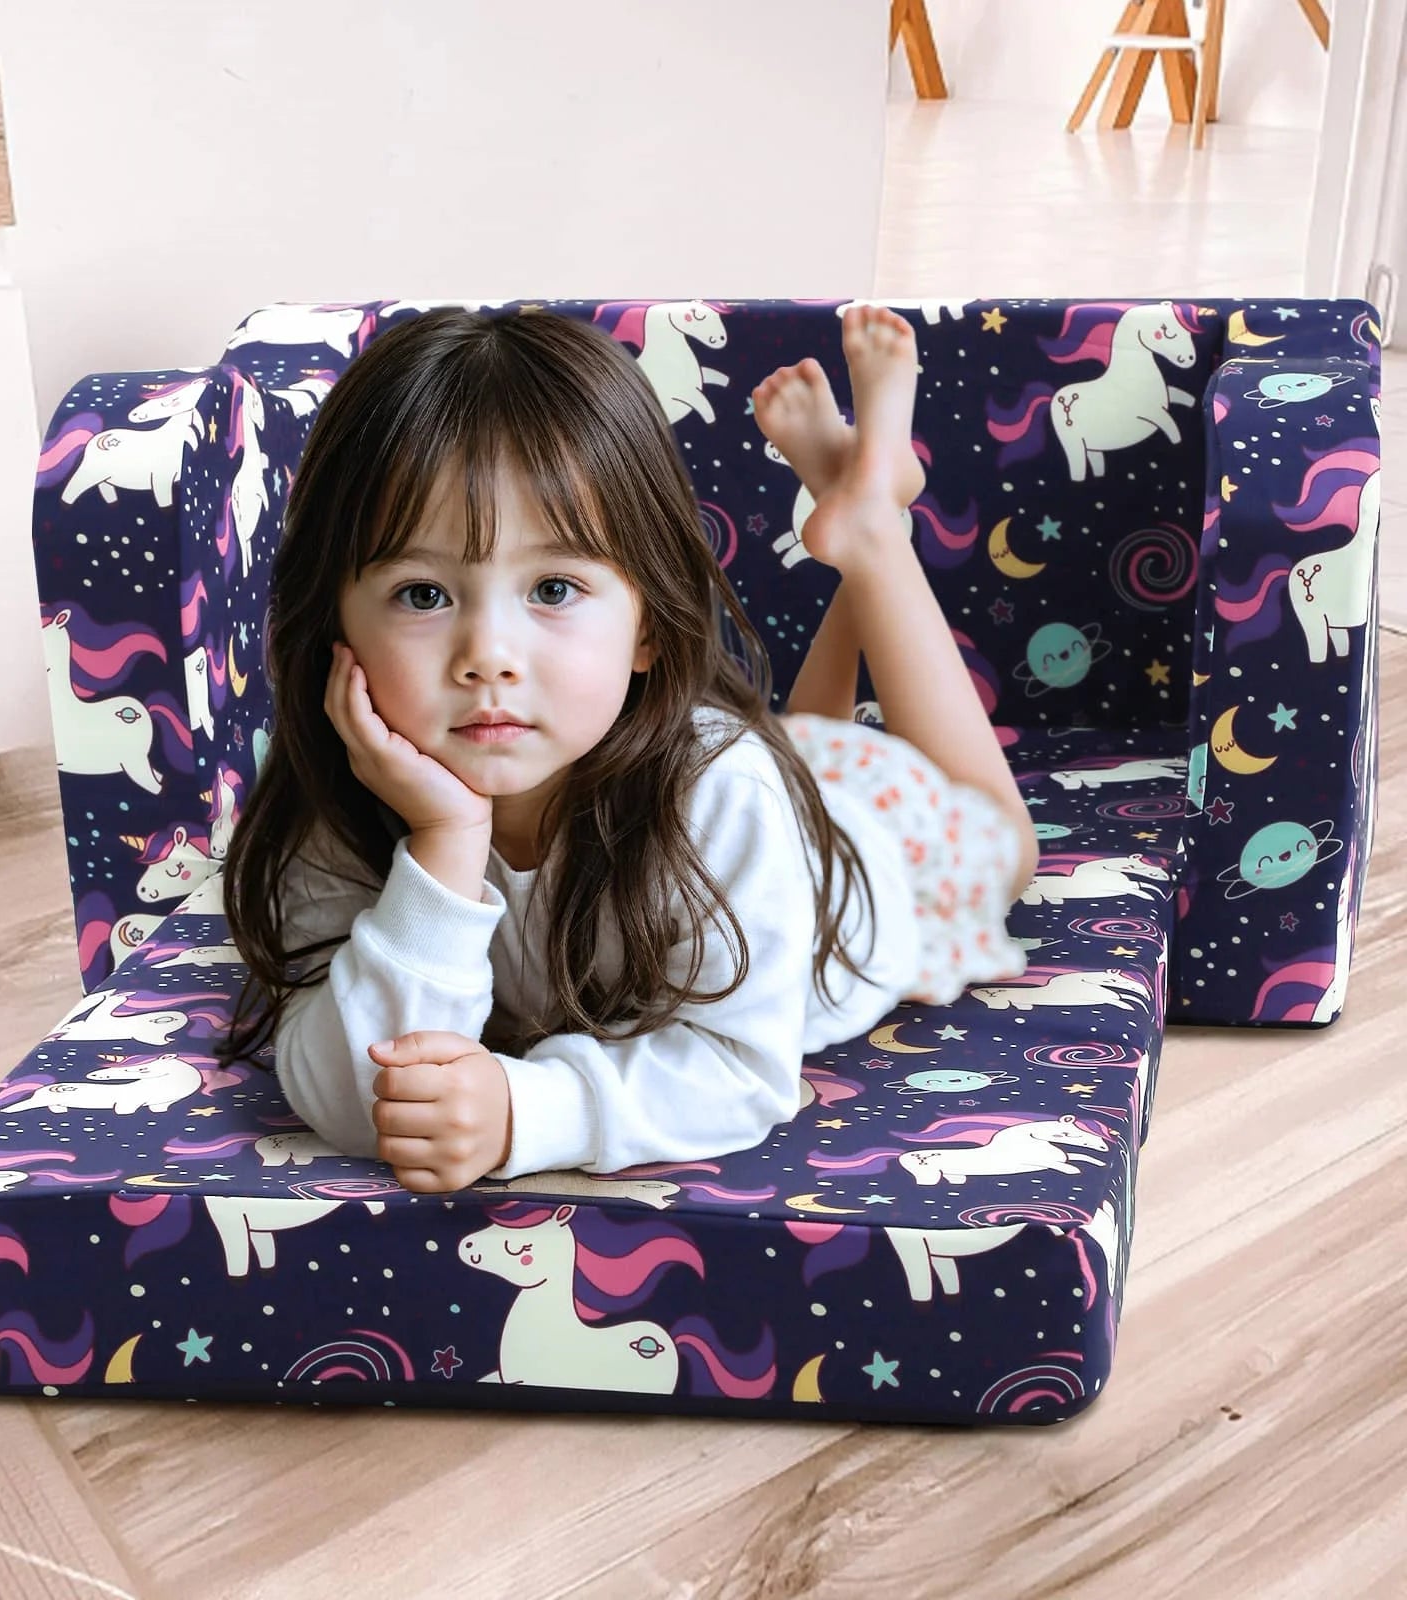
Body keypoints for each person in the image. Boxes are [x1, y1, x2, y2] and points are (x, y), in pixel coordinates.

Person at [216, 303, 1038, 1195]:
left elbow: (744, 1072)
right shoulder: (347, 794)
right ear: (332, 620)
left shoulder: (725, 796)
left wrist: (527, 1111)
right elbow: (357, 1098)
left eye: (554, 586)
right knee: (807, 742)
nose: (488, 655)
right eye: (422, 594)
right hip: (776, 778)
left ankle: (875, 533)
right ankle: (859, 508)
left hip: (870, 859)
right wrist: (444, 846)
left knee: (1001, 844)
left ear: (647, 623)